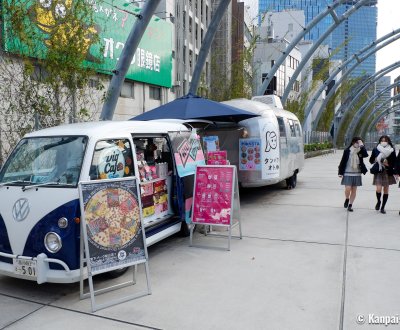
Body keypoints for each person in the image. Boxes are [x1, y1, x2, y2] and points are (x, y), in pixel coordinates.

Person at [338, 137, 368, 212]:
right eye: (356, 142)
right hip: (347, 172)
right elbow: (342, 161)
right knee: (348, 188)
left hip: (357, 173)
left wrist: (362, 145)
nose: (357, 143)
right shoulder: (347, 151)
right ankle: (347, 198)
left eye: (359, 142)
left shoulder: (360, 151)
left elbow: (366, 155)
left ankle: (350, 205)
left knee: (354, 190)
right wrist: (340, 172)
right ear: (352, 142)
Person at [369, 135, 397, 214]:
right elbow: (371, 160)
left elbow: (395, 161)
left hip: (387, 171)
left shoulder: (391, 150)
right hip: (379, 171)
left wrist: (388, 164)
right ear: (380, 141)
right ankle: (378, 201)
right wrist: (375, 159)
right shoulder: (376, 149)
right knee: (378, 189)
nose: (383, 142)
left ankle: (383, 207)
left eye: (385, 140)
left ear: (388, 141)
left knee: (386, 190)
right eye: (382, 140)